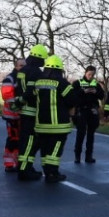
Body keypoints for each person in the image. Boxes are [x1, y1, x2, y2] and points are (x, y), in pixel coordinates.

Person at [26, 54, 79, 182]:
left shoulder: (38, 82)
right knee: (55, 150)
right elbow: (72, 100)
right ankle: (52, 174)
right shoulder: (61, 83)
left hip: (41, 124)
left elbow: (30, 97)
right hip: (58, 125)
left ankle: (47, 172)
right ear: (59, 69)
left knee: (44, 149)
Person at [15, 44, 48, 181]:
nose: (43, 63)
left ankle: (26, 166)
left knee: (26, 141)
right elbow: (30, 92)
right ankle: (24, 170)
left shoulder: (23, 70)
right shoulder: (35, 72)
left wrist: (18, 102)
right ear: (38, 58)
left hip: (24, 111)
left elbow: (19, 90)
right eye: (43, 60)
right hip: (32, 112)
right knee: (30, 142)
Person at [72, 65, 104, 163]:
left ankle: (88, 156)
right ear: (85, 73)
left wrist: (95, 92)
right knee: (80, 134)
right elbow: (72, 95)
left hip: (92, 111)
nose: (91, 76)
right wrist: (83, 91)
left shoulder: (96, 84)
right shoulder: (77, 83)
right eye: (89, 74)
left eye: (93, 74)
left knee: (91, 134)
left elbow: (102, 96)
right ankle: (77, 156)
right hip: (81, 110)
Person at [0, 57, 25, 172]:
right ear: (16, 66)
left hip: (21, 115)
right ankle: (9, 163)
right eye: (20, 66)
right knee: (12, 139)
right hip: (12, 115)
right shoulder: (10, 78)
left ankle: (17, 162)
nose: (23, 68)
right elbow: (7, 97)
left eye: (24, 66)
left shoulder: (23, 78)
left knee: (20, 139)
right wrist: (16, 108)